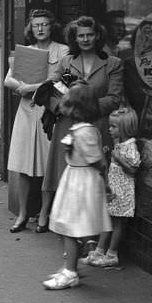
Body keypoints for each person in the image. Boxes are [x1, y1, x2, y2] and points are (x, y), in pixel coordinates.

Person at [42, 16, 124, 224]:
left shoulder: (112, 63)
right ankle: (65, 223)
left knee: (93, 175)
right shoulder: (66, 61)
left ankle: (89, 228)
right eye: (81, 36)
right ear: (75, 38)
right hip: (67, 126)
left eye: (90, 35)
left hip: (96, 126)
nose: (86, 39)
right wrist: (59, 106)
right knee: (65, 173)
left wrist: (86, 108)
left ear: (97, 36)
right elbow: (49, 90)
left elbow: (114, 98)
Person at [3, 10, 69, 232]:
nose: (40, 29)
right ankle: (22, 213)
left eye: (44, 24)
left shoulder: (62, 51)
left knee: (47, 162)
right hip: (26, 110)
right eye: (35, 25)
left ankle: (44, 212)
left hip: (48, 112)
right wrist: (20, 86)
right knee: (23, 164)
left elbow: (58, 80)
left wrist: (30, 87)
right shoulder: (26, 52)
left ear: (52, 26)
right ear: (30, 29)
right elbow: (8, 79)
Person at [43, 84, 112, 290]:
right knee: (72, 225)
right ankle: (71, 265)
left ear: (76, 107)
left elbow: (96, 160)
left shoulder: (85, 132)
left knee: (70, 227)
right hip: (75, 178)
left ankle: (70, 272)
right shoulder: (80, 129)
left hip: (81, 182)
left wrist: (104, 181)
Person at [83, 107, 141, 267]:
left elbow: (133, 169)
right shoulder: (120, 143)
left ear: (124, 129)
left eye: (113, 126)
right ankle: (99, 250)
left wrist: (118, 158)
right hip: (114, 188)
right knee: (107, 219)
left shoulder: (130, 146)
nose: (109, 129)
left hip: (123, 191)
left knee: (117, 223)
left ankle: (112, 253)